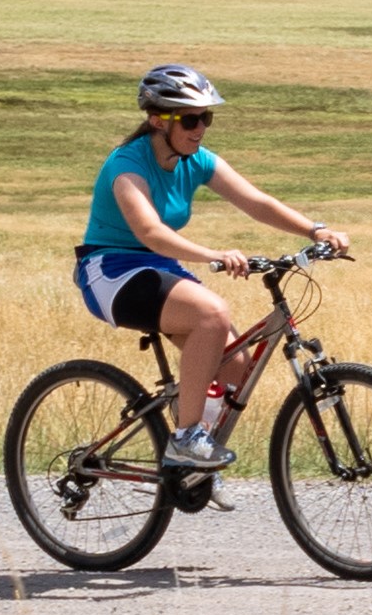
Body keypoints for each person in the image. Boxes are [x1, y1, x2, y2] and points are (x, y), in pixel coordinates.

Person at [79, 62, 351, 469]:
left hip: (160, 271)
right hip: (112, 272)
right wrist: (213, 255)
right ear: (157, 120)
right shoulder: (126, 166)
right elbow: (150, 232)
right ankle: (187, 439)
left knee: (238, 367)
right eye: (190, 119)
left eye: (206, 117)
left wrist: (315, 230)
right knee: (212, 313)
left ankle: (190, 465)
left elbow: (256, 203)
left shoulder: (197, 160)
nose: (200, 128)